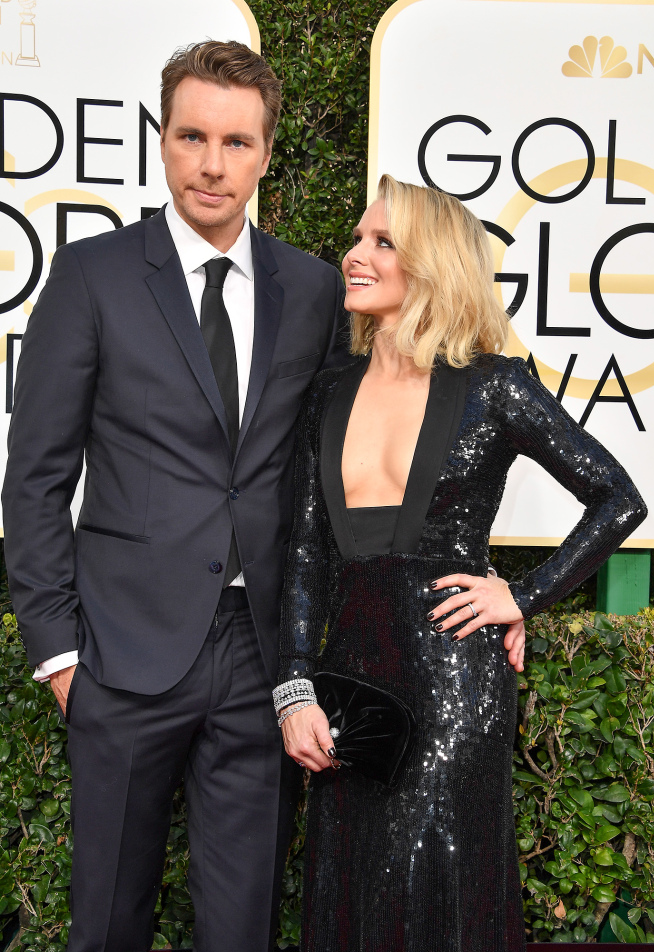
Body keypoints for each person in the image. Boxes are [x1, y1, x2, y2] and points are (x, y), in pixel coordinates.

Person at [2, 40, 348, 952]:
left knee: (242, 928)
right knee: (109, 921)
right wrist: (58, 654)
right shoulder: (92, 276)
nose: (211, 163)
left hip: (261, 656)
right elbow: (36, 474)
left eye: (235, 142)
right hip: (119, 652)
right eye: (192, 135)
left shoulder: (312, 290)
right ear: (163, 139)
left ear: (266, 153)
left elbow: (334, 473)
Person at [273, 175, 647, 952]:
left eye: (382, 242)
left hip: (453, 683)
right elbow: (307, 550)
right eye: (358, 238)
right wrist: (294, 688)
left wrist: (522, 594)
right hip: (351, 684)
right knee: (352, 879)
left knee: (432, 875)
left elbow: (617, 497)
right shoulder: (327, 391)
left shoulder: (495, 387)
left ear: (432, 263)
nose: (354, 255)